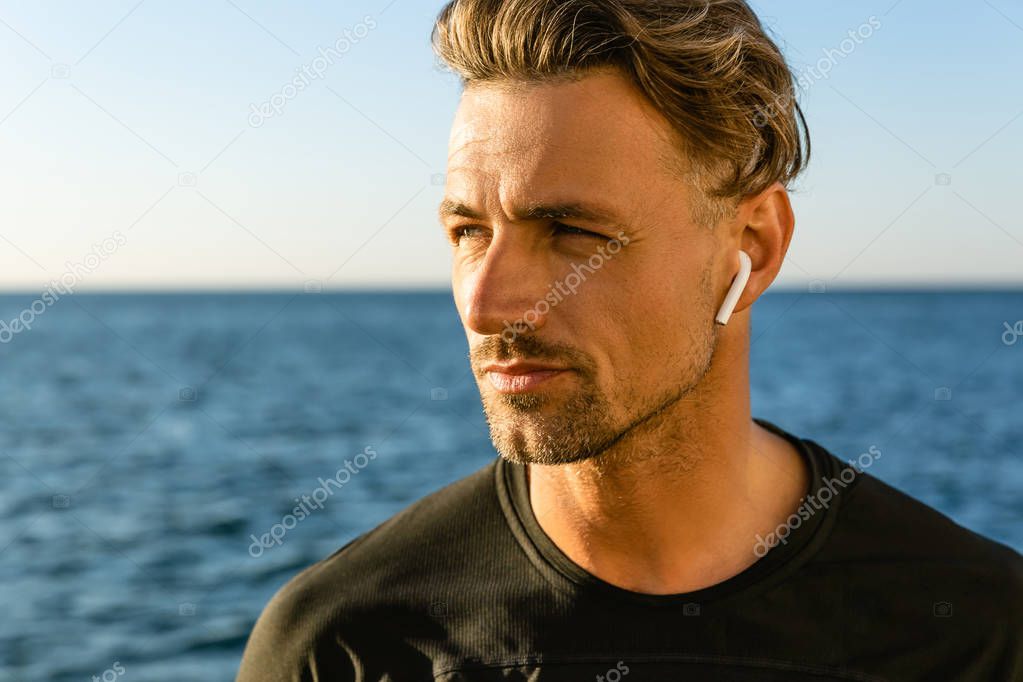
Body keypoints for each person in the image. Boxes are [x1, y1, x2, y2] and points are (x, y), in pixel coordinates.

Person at [236, 1, 1022, 679]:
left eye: (572, 231)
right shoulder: (343, 644)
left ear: (754, 244)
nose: (484, 303)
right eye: (469, 231)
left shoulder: (979, 633)